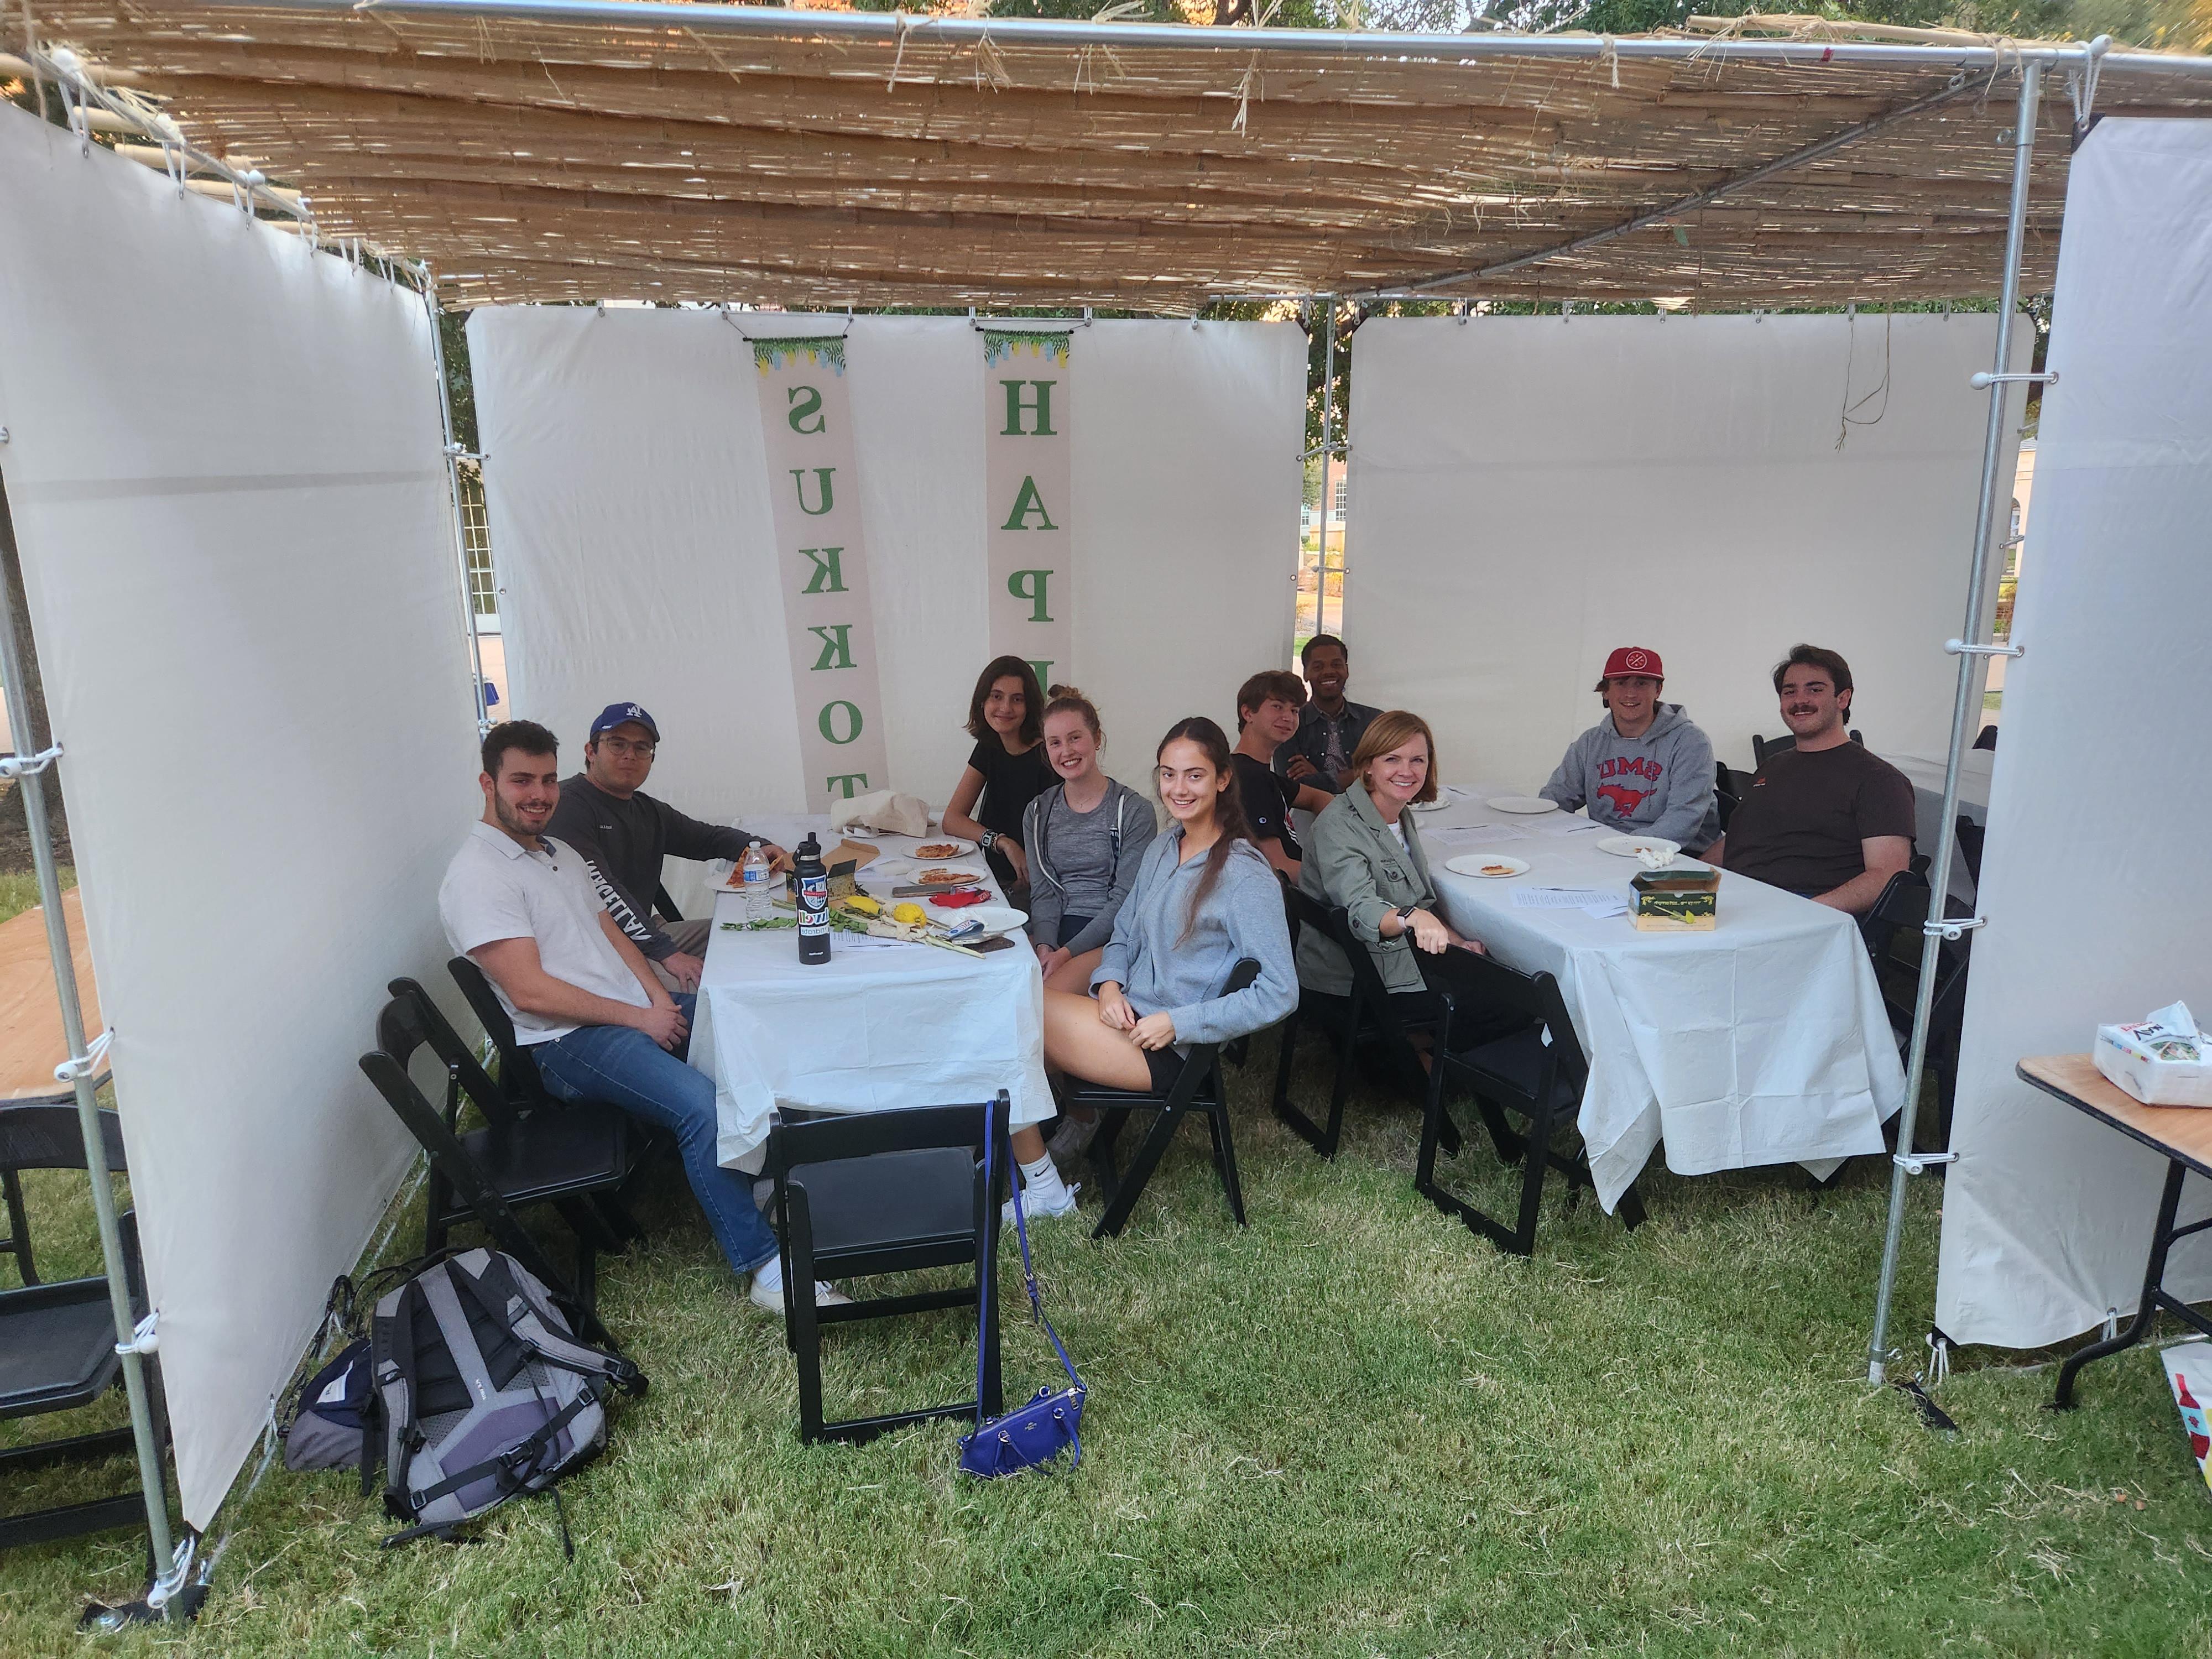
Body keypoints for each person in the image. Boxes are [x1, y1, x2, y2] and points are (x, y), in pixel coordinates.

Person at [439, 721, 840, 1314]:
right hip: (570, 1041)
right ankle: (766, 1268)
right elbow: (530, 994)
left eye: (547, 780)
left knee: (756, 1026)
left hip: (627, 1009)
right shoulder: (478, 876)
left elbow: (608, 927)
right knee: (700, 1108)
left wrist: (656, 995)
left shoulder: (555, 850)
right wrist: (638, 1018)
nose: (538, 794)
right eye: (521, 780)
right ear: (487, 782)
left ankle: (773, 1181)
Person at [1037, 717, 1296, 1199]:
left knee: (1014, 1012)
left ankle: (1040, 1184)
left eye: (1194, 775)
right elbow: (1124, 931)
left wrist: (1180, 1023)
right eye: (1168, 773)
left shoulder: (1245, 875)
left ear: (1222, 779)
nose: (1178, 788)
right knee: (1015, 1010)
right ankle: (1030, 1151)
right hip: (1128, 1012)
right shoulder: (1164, 846)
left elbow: (1280, 992)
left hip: (1165, 1048)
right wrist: (1110, 983)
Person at [546, 702, 787, 995]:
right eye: (617, 744)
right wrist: (668, 954)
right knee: (706, 991)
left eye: (641, 748)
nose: (629, 755)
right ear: (591, 751)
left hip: (646, 934)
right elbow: (603, 890)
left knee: (758, 935)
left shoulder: (644, 808)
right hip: (598, 953)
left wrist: (760, 848)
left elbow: (705, 838)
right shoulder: (570, 805)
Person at [1297, 710, 1490, 1037]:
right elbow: (1361, 907)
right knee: (1507, 1004)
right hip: (1356, 978)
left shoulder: (1396, 813)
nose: (1407, 771)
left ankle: (1432, 1058)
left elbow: (1412, 896)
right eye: (1392, 759)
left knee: (1494, 980)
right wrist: (1411, 917)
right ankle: (1428, 1066)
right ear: (1368, 766)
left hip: (1387, 959)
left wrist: (1458, 943)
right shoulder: (1339, 825)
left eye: (1418, 760)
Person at [1708, 645, 1916, 915]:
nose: (1800, 700)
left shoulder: (1879, 780)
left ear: (1843, 699)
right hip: (1735, 902)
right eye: (1789, 691)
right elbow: (1737, 841)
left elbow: (1886, 875)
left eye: (1815, 690)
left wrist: (1802, 912)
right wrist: (1685, 876)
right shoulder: (1772, 767)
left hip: (1805, 915)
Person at [1022, 686, 1157, 998]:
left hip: (1109, 936)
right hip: (1054, 929)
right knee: (1000, 980)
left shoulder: (1134, 810)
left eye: (1075, 737)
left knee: (1044, 1001)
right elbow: (1043, 890)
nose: (1066, 751)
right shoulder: (1037, 811)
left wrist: (1065, 954)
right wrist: (1045, 946)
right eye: (1055, 743)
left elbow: (1126, 900)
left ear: (1097, 739)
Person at [1539, 646, 1720, 853]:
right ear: (1606, 691)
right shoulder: (1590, 742)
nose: (1631, 693)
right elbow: (1557, 798)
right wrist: (1535, 823)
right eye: (1621, 683)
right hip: (1608, 851)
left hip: (1679, 856)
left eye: (1641, 684)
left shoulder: (1691, 743)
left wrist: (1617, 848)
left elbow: (1682, 821)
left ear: (1658, 690)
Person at [942, 656, 1052, 896]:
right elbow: (951, 819)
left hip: (1040, 887)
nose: (1005, 708)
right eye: (997, 696)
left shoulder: (1049, 755)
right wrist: (1002, 842)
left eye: (1017, 699)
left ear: (1030, 706)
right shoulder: (990, 744)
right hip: (993, 879)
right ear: (982, 701)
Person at [1232, 670, 1334, 881]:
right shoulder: (1247, 777)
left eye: (1295, 710)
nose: (1288, 717)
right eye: (1277, 707)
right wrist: (1340, 879)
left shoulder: (1264, 776)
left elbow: (1321, 799)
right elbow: (1278, 867)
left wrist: (1340, 844)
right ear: (1248, 713)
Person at [1275, 634, 1380, 796]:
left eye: (1336, 665)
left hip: (1367, 813)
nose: (1329, 672)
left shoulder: (1375, 721)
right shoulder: (1288, 723)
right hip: (1308, 817)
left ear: (1347, 671)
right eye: (1318, 667)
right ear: (1306, 674)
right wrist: (1358, 775)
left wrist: (1319, 777)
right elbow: (1291, 787)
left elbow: (1386, 775)